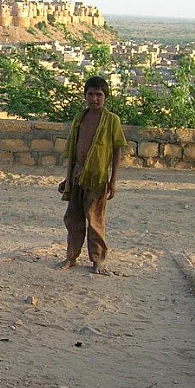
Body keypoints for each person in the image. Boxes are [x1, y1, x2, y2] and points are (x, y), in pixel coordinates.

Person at [57, 76, 127, 275]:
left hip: (97, 178)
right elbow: (74, 150)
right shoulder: (80, 119)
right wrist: (68, 178)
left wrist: (113, 180)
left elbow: (117, 150)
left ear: (105, 97)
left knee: (95, 219)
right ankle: (71, 256)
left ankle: (97, 259)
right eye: (91, 94)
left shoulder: (111, 120)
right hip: (77, 175)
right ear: (85, 95)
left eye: (99, 95)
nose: (94, 99)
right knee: (73, 218)